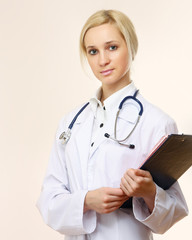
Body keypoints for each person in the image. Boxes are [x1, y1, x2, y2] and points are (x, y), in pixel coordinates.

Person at [37, 9, 188, 240]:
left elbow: (173, 212)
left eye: (112, 47)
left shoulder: (157, 122)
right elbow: (49, 200)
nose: (103, 60)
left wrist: (149, 192)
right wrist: (86, 201)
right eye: (93, 51)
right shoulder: (71, 123)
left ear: (131, 46)